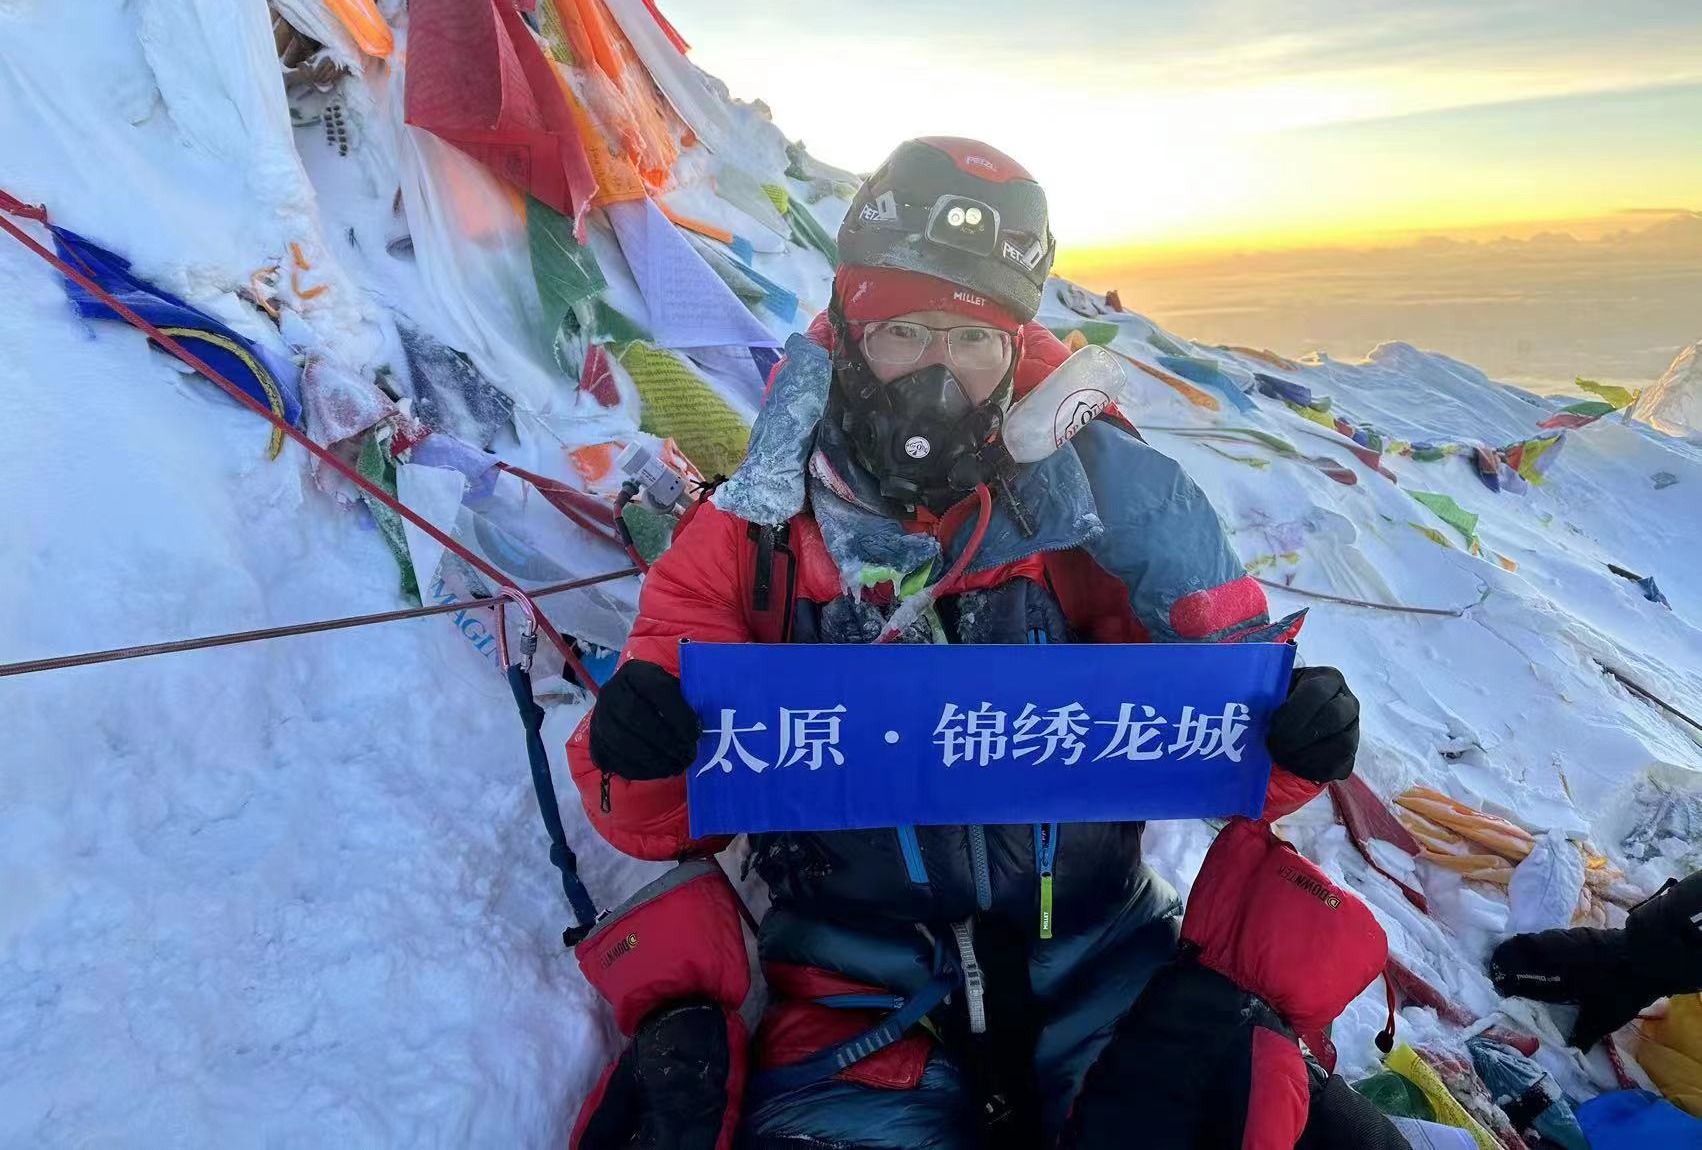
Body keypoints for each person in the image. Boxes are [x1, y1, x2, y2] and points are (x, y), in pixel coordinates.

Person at [567, 138, 1364, 1148]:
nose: (939, 371)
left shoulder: (1100, 520)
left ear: (1015, 353)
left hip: (1105, 959)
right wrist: (639, 748)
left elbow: (1224, 752)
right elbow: (645, 818)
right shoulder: (751, 538)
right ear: (848, 336)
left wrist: (1291, 734)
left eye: (974, 338)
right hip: (855, 995)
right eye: (904, 331)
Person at [1491, 867, 1702, 1049]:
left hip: (1640, 970)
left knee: (1514, 963)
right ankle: (1604, 1000)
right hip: (1627, 953)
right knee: (1510, 964)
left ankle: (1607, 1002)